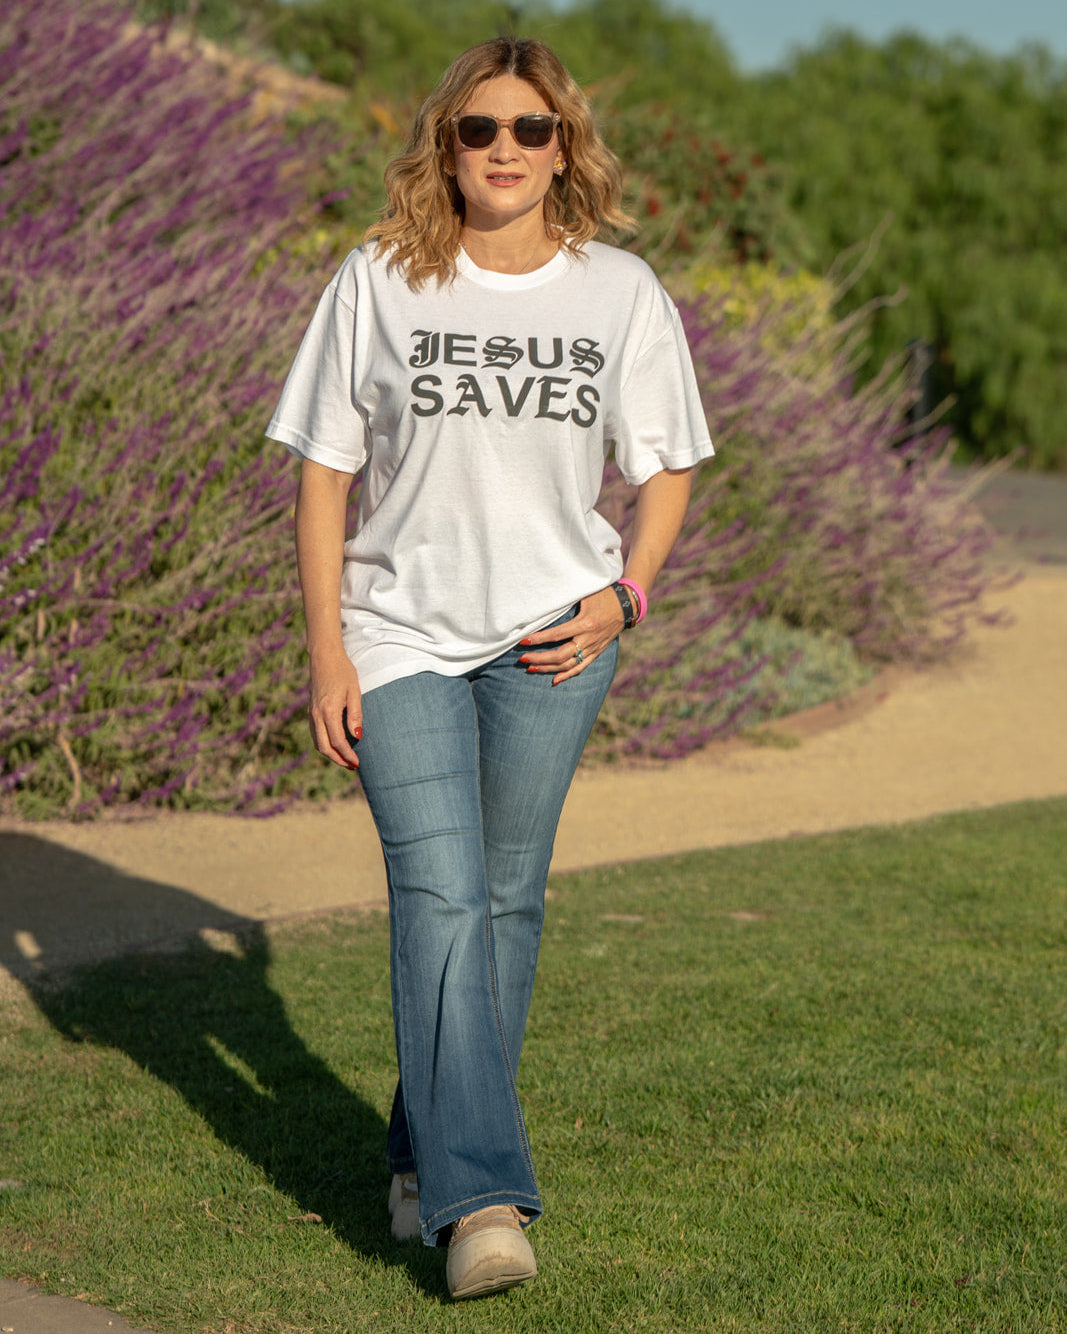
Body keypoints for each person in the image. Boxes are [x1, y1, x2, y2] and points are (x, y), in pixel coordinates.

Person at [266, 36, 713, 1301]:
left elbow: (668, 461)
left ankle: (418, 1149)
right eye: (478, 131)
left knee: (505, 901)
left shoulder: (616, 291)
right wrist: (325, 645)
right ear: (444, 147)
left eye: (529, 129)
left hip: (553, 642)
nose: (503, 150)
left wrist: (627, 595)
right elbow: (322, 473)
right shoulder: (378, 280)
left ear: (562, 144)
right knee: (442, 894)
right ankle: (484, 1201)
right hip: (398, 630)